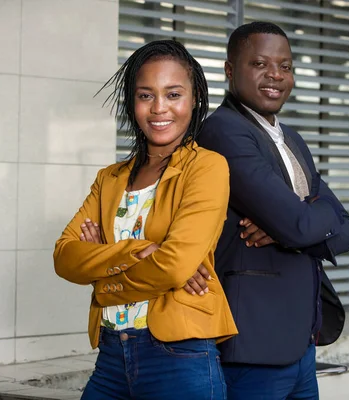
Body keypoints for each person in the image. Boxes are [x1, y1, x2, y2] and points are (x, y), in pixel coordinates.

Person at [53, 39, 237, 400]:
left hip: (180, 355)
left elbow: (173, 266)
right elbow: (64, 258)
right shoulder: (110, 178)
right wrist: (138, 250)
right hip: (110, 356)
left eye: (173, 94)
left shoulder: (207, 168)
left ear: (195, 97)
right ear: (132, 102)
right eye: (145, 95)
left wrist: (104, 279)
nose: (159, 109)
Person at [196, 22, 349, 399]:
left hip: (301, 342)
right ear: (230, 70)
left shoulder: (292, 139)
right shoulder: (224, 131)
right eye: (260, 64)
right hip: (254, 345)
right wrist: (299, 221)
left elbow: (345, 229)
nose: (275, 76)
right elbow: (301, 225)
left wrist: (290, 223)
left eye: (286, 66)